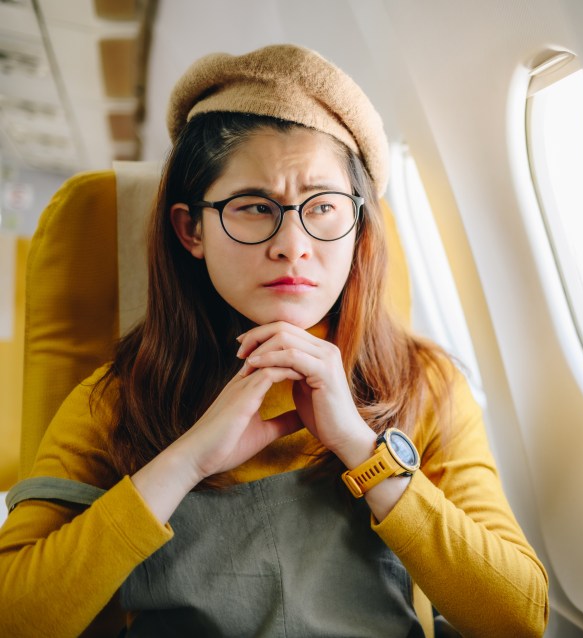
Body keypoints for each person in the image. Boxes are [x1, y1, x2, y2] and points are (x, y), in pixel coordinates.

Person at [0, 44, 548, 637]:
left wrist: (363, 451)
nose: (293, 243)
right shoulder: (114, 401)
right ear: (192, 230)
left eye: (324, 207)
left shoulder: (425, 385)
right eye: (255, 207)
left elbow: (518, 619)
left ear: (358, 226)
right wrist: (185, 461)